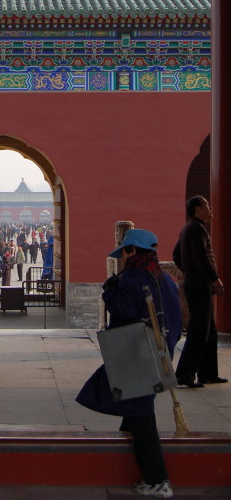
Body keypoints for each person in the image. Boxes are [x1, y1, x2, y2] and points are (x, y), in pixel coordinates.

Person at [76, 229, 181, 499]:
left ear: (131, 250)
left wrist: (110, 290)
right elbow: (177, 320)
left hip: (136, 355)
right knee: (135, 408)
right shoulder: (165, 279)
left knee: (140, 413)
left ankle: (158, 480)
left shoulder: (132, 277)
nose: (122, 258)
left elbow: (122, 309)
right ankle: (129, 460)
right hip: (159, 352)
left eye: (124, 252)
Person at [173, 196, 227, 388]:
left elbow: (176, 254)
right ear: (197, 209)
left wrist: (187, 270)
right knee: (199, 330)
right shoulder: (196, 229)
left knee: (209, 329)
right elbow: (202, 257)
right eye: (206, 205)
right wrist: (214, 278)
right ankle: (184, 375)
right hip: (199, 283)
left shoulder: (188, 228)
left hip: (196, 281)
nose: (210, 208)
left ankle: (208, 373)